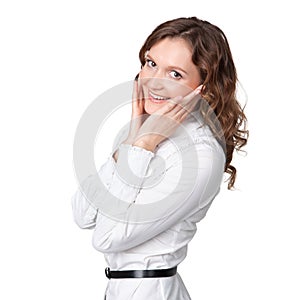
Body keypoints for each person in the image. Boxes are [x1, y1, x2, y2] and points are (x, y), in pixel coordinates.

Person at [71, 16, 248, 300]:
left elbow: (105, 237)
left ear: (204, 86)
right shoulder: (144, 128)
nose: (153, 82)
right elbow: (83, 214)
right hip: (121, 290)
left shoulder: (200, 155)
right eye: (151, 63)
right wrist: (134, 139)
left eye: (175, 74)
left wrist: (143, 146)